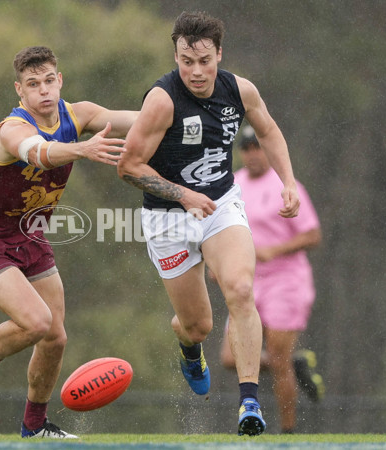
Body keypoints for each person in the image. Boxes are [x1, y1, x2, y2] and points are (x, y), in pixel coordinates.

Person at [117, 11, 300, 436]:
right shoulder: (162, 100)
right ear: (176, 56)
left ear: (219, 53)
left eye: (204, 61)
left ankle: (249, 402)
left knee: (239, 288)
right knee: (198, 325)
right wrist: (183, 195)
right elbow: (128, 166)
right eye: (186, 61)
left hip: (220, 204)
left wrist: (287, 181)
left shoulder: (240, 90)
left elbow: (269, 132)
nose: (196, 72)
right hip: (167, 218)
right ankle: (187, 346)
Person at [0, 46, 137, 439]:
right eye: (33, 84)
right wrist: (83, 149)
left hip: (29, 234)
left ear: (60, 81)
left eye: (49, 80)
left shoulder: (79, 114)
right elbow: (38, 154)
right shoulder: (11, 129)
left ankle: (34, 427)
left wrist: (184, 113)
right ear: (19, 92)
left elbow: (136, 120)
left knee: (55, 336)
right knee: (37, 322)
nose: (44, 91)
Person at [218, 125, 324, 434]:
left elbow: (313, 234)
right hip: (247, 281)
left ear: (268, 149)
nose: (252, 153)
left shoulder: (285, 184)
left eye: (257, 147)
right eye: (246, 148)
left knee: (278, 357)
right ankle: (296, 365)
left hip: (286, 280)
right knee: (229, 358)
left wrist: (274, 250)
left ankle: (287, 433)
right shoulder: (233, 183)